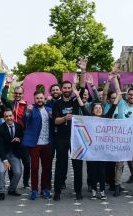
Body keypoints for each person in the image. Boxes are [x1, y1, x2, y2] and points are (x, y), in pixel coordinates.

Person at [75, 73, 121, 200]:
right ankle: (94, 190)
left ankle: (102, 190)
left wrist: (116, 84)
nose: (98, 109)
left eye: (100, 108)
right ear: (93, 110)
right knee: (92, 170)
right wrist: (76, 92)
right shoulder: (88, 118)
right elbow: (81, 106)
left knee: (102, 170)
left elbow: (116, 102)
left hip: (103, 149)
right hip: (91, 149)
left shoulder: (106, 117)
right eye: (96, 108)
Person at [52, 58, 89, 201]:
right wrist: (65, 118)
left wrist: (83, 70)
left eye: (69, 88)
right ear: (61, 90)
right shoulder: (57, 103)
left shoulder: (75, 101)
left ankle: (78, 191)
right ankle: (57, 191)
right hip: (61, 138)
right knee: (61, 165)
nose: (67, 90)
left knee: (78, 165)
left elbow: (83, 87)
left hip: (76, 137)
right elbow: (55, 120)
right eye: (65, 88)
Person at [22, 91, 53, 200]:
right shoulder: (31, 109)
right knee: (34, 168)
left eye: (41, 98)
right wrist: (27, 112)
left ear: (44, 99)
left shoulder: (49, 109)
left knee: (47, 168)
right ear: (34, 99)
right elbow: (24, 120)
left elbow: (54, 124)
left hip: (47, 143)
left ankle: (45, 189)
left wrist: (52, 117)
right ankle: (34, 190)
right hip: (34, 144)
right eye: (37, 98)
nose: (39, 100)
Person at [1, 81, 30, 188]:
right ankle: (13, 183)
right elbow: (3, 98)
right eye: (16, 93)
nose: (17, 95)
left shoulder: (27, 106)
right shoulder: (10, 103)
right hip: (11, 136)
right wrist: (7, 85)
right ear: (13, 94)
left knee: (27, 162)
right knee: (11, 161)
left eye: (20, 93)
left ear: (23, 94)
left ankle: (26, 182)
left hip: (23, 137)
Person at [0, 109, 23, 200]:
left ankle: (12, 189)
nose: (9, 118)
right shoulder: (0, 128)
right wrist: (5, 160)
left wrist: (19, 139)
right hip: (2, 154)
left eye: (10, 116)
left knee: (18, 172)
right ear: (4, 118)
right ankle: (2, 191)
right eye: (6, 116)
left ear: (13, 116)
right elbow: (0, 145)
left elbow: (23, 136)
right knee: (1, 171)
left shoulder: (18, 126)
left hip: (14, 153)